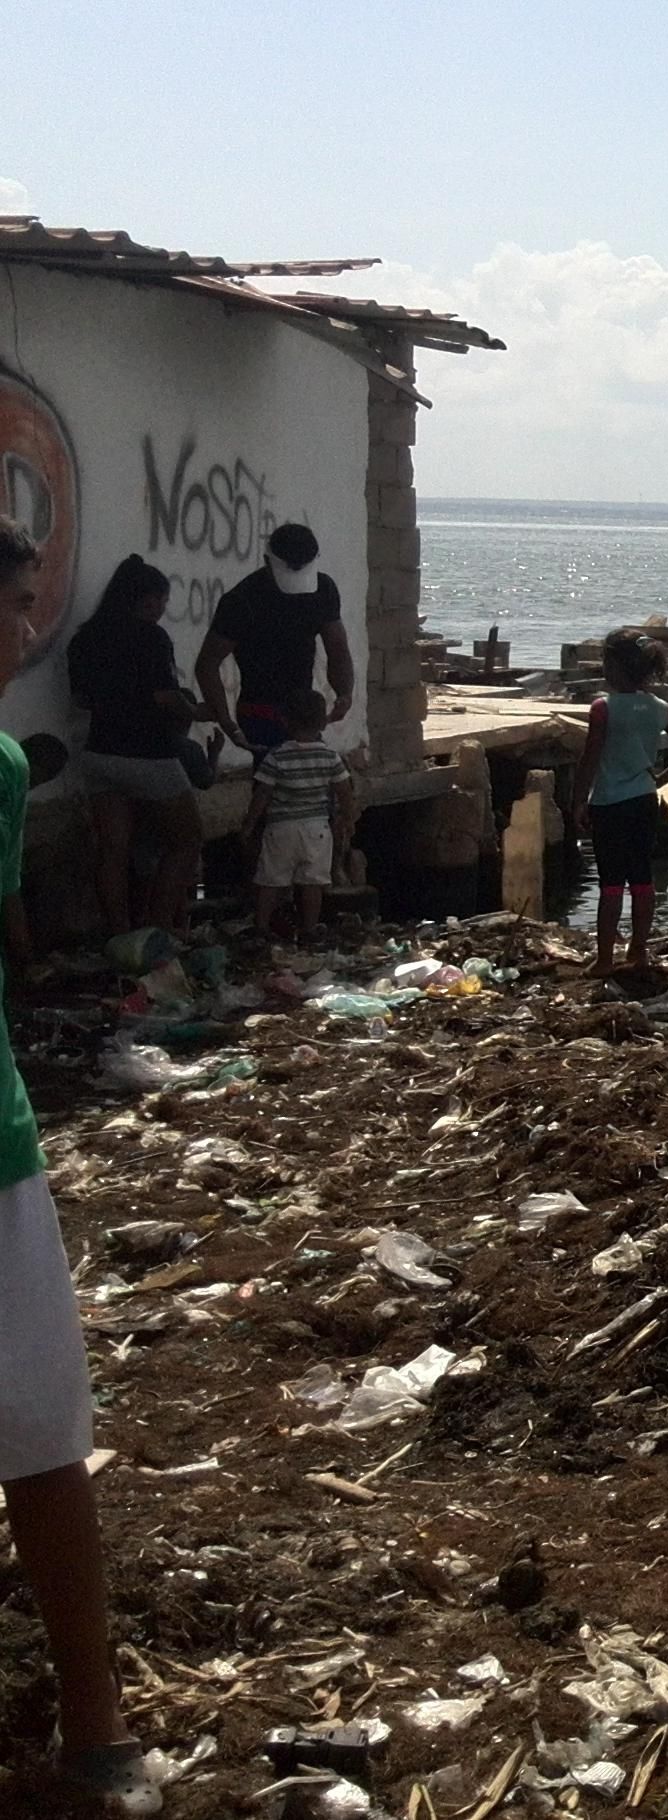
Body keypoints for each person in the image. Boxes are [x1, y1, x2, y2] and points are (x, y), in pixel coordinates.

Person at [0, 518, 155, 1815]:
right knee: (42, 1423)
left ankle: (95, 1716)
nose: (25, 632)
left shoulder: (3, 765)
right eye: (11, 609)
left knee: (45, 1422)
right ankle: (95, 1721)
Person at [63, 556, 206, 934]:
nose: (161, 609)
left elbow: (81, 699)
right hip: (148, 755)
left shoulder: (84, 639)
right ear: (143, 600)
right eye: (160, 601)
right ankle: (157, 931)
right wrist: (195, 710)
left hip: (99, 753)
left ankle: (119, 933)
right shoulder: (151, 637)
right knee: (187, 841)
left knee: (112, 850)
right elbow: (165, 698)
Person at [574, 632, 668, 972]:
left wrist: (577, 802)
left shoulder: (603, 709)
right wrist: (660, 780)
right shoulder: (661, 709)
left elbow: (590, 759)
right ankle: (638, 951)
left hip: (609, 804)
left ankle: (604, 960)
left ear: (614, 667)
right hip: (645, 801)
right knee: (643, 880)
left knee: (611, 884)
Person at [195, 521, 354, 751]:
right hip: (258, 710)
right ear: (267, 560)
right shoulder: (242, 601)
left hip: (303, 711)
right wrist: (227, 722)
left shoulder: (323, 590)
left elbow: (338, 648)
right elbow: (208, 663)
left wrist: (344, 693)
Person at [243, 687, 352, 937]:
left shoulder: (277, 757)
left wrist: (249, 825)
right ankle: (310, 928)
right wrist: (349, 818)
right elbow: (344, 791)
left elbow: (262, 795)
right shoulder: (330, 756)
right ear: (322, 722)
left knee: (270, 880)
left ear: (285, 721)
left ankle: (261, 926)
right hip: (317, 828)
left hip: (281, 828)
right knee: (313, 882)